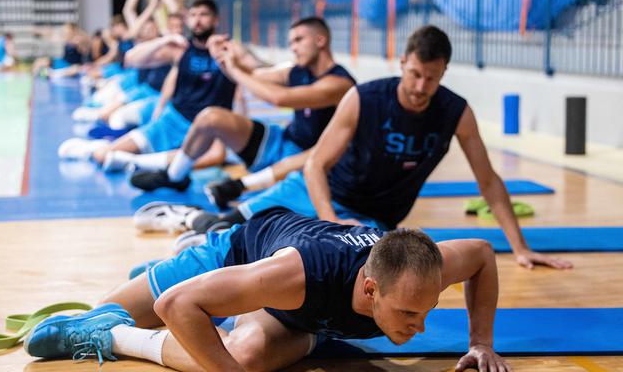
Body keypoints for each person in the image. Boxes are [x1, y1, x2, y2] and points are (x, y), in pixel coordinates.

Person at [24, 207, 512, 372]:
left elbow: (484, 253)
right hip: (238, 253)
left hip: (306, 316)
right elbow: (174, 305)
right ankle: (116, 327)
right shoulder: (297, 276)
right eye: (408, 312)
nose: (419, 325)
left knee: (247, 353)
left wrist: (481, 341)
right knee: (124, 307)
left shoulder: (422, 265)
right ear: (369, 288)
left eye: (427, 311)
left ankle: (113, 338)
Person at [169, 26, 573, 270]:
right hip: (317, 191)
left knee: (313, 262)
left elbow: (488, 181)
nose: (419, 87)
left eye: (430, 79)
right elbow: (315, 166)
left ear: (443, 74)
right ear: (402, 63)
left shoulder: (456, 112)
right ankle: (187, 222)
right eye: (414, 74)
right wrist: (329, 218)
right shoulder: (364, 97)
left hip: (370, 218)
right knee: (228, 226)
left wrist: (521, 247)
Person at [127, 17, 356, 210]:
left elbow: (279, 99)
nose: (293, 47)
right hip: (282, 142)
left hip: (313, 161)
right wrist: (225, 58)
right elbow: (254, 75)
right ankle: (175, 175)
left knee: (263, 207)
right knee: (210, 117)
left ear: (320, 40)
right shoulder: (295, 71)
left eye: (298, 40)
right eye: (291, 42)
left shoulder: (339, 83)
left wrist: (235, 70)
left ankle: (243, 185)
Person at [60, 0, 237, 172]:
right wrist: (162, 41)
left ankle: (138, 162)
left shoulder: (229, 50)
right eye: (193, 15)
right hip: (173, 119)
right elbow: (130, 59)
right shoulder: (181, 49)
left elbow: (248, 79)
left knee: (215, 155)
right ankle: (95, 149)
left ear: (216, 19)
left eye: (204, 15)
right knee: (103, 155)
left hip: (208, 126)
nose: (197, 20)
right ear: (188, 19)